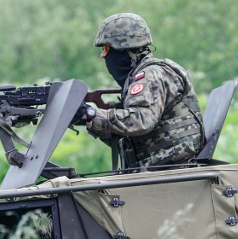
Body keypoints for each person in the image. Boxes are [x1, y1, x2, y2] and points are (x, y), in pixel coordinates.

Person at [84, 13, 204, 169]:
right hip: (163, 172)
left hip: (173, 175)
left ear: (125, 48)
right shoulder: (145, 75)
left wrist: (91, 113)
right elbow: (128, 137)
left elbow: (140, 121)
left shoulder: (151, 75)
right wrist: (87, 119)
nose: (103, 55)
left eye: (106, 48)